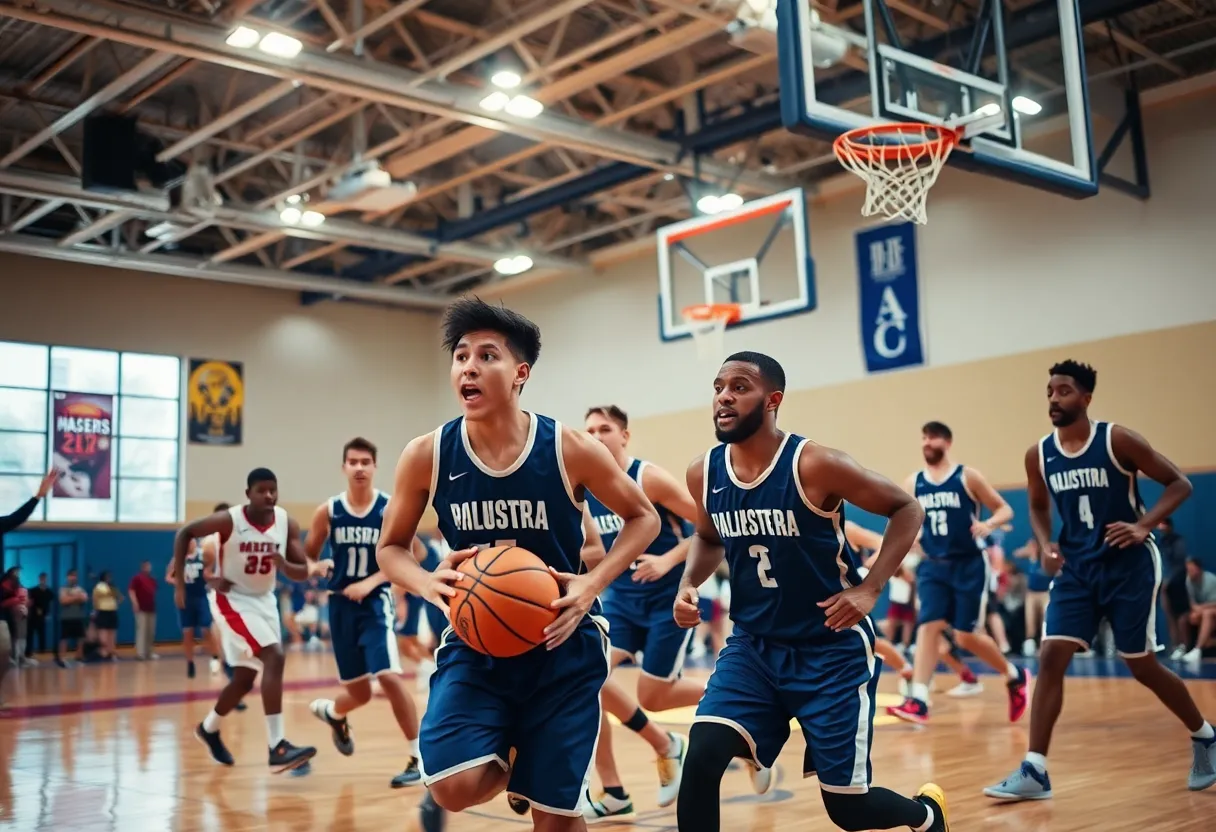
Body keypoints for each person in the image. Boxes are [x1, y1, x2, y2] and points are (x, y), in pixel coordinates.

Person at [375, 297, 661, 832]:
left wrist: (592, 583)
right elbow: (391, 547)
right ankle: (517, 755)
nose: (469, 367)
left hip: (561, 645)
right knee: (452, 787)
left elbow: (643, 518)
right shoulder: (426, 454)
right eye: (461, 356)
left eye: (488, 356)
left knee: (555, 820)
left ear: (520, 373)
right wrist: (424, 579)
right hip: (475, 642)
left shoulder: (569, 448)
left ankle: (543, 777)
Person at [672, 351, 950, 832]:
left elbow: (907, 510)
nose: (723, 396)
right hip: (754, 648)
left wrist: (869, 588)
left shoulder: (816, 463)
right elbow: (708, 537)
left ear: (773, 399)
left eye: (740, 387)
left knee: (848, 809)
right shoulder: (705, 471)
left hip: (830, 650)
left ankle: (925, 816)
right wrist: (687, 583)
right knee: (702, 756)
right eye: (719, 386)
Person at [983, 359, 1215, 800]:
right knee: (1051, 655)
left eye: (1064, 391)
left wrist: (1144, 524)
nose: (1054, 398)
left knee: (1140, 664)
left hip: (1129, 566)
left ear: (1086, 398)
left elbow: (1179, 483)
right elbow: (1036, 505)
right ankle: (1035, 770)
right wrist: (1046, 542)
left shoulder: (1117, 440)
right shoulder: (1040, 453)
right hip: (1077, 569)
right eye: (1050, 391)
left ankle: (1204, 734)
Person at [580, 404, 701, 821]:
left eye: (605, 429)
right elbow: (593, 551)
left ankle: (743, 701)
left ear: (625, 436)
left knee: (653, 695)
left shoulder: (647, 477)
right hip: (621, 602)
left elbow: (710, 527)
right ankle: (613, 791)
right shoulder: (584, 488)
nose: (596, 436)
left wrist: (667, 560)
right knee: (587, 680)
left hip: (667, 598)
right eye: (589, 430)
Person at [173, 468, 320, 773]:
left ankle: (209, 728)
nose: (268, 495)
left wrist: (299, 566)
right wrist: (179, 585)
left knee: (243, 679)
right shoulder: (230, 520)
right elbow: (185, 532)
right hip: (233, 600)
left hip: (264, 601)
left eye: (273, 490)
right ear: (248, 494)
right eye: (261, 490)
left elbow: (299, 571)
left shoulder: (285, 522)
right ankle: (277, 746)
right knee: (274, 658)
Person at [887, 422, 1030, 726]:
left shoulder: (967, 476)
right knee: (928, 627)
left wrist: (989, 525)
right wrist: (906, 541)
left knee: (966, 637)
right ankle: (919, 701)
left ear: (947, 443)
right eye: (924, 436)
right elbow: (904, 519)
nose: (927, 442)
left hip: (967, 564)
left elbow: (1005, 509)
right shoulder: (914, 482)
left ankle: (1014, 675)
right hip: (932, 565)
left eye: (933, 437)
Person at [306, 437, 423, 789]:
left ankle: (418, 758)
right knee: (358, 693)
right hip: (340, 606)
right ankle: (335, 713)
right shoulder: (329, 511)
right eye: (353, 462)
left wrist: (371, 583)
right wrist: (314, 566)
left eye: (365, 462)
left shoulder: (389, 508)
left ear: (374, 467)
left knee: (388, 675)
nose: (359, 467)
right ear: (344, 467)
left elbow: (411, 555)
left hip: (375, 604)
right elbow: (307, 553)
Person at [165, 536, 220, 678]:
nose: (189, 543)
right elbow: (168, 577)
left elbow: (210, 569)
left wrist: (210, 575)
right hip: (186, 598)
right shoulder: (178, 559)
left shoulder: (203, 555)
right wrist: (178, 582)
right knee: (187, 632)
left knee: (206, 629)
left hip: (201, 596)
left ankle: (215, 657)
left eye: (191, 540)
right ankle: (190, 663)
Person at [1180, 557, 1216, 664]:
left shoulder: (1211, 580)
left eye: (1191, 569)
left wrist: (1200, 610)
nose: (1189, 572)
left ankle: (1198, 649)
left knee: (1207, 614)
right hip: (1201, 611)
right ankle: (1185, 649)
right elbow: (1192, 603)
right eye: (1187, 570)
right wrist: (1196, 611)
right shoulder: (1188, 581)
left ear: (1199, 569)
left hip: (1210, 609)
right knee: (1184, 619)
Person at [58, 568, 89, 666]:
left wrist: (71, 598)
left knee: (81, 637)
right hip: (67, 617)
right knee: (64, 638)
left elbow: (84, 598)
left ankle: (79, 657)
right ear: (67, 577)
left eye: (75, 576)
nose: (73, 578)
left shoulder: (80, 589)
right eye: (71, 576)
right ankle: (62, 658)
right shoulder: (63, 589)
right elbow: (63, 600)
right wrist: (76, 597)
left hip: (78, 616)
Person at [129, 561, 159, 661]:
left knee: (150, 631)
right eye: (146, 566)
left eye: (149, 566)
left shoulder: (152, 580)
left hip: (151, 608)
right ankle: (140, 653)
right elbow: (131, 590)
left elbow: (153, 592)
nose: (148, 568)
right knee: (141, 630)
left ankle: (149, 652)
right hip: (141, 608)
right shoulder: (137, 578)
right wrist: (135, 603)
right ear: (142, 567)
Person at [91, 571, 122, 660]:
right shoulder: (99, 587)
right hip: (102, 612)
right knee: (103, 635)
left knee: (112, 634)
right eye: (107, 577)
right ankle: (103, 653)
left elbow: (120, 597)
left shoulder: (112, 587)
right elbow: (97, 598)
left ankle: (111, 652)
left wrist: (117, 599)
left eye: (110, 577)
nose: (109, 578)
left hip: (112, 611)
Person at [28, 573, 54, 659]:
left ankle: (42, 651)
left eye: (44, 578)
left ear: (46, 579)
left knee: (42, 633)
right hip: (33, 615)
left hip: (43, 615)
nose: (43, 580)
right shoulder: (33, 590)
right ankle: (28, 651)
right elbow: (29, 602)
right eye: (41, 578)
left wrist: (48, 613)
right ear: (39, 579)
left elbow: (50, 604)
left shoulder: (49, 592)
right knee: (30, 633)